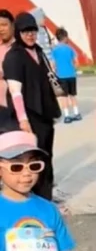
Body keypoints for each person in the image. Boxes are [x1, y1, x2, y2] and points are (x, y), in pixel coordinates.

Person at [4, 13, 61, 201]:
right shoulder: (14, 56)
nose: (30, 35)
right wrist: (23, 120)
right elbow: (15, 92)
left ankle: (46, 198)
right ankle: (32, 198)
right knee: (31, 160)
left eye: (33, 31)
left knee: (46, 158)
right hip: (28, 116)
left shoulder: (38, 51)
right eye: (25, 31)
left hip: (44, 115)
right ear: (18, 33)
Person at [51, 27, 80, 124]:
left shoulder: (55, 50)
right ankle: (76, 113)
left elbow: (53, 64)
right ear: (65, 37)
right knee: (73, 95)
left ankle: (67, 116)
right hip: (71, 75)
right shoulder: (70, 49)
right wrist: (74, 69)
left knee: (64, 97)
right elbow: (76, 62)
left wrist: (55, 72)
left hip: (61, 76)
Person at [0, 9, 15, 112]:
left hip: (16, 106)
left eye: (4, 25)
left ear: (13, 25)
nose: (1, 29)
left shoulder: (21, 48)